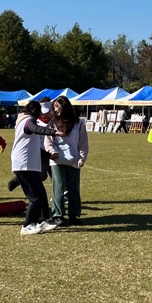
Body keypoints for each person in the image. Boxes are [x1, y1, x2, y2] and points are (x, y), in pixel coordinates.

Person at [11, 101, 65, 235]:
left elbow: (34, 147)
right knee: (34, 197)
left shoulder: (25, 121)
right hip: (23, 165)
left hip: (28, 164)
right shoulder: (28, 121)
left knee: (41, 193)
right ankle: (27, 225)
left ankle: (43, 221)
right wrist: (54, 132)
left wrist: (48, 155)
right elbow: (37, 129)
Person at [45, 96, 89, 227]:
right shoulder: (52, 122)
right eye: (54, 107)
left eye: (58, 106)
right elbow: (48, 141)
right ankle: (57, 215)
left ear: (65, 106)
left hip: (74, 160)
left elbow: (83, 142)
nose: (56, 109)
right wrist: (52, 152)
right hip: (57, 160)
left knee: (74, 188)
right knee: (58, 187)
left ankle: (74, 215)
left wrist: (82, 158)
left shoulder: (78, 123)